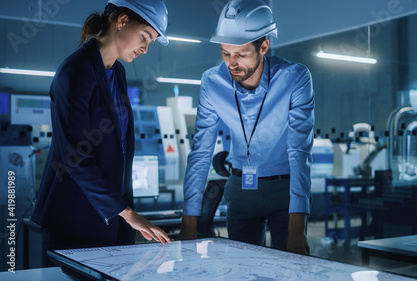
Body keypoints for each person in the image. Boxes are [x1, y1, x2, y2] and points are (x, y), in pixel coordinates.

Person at [31, 0, 171, 267]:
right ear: (121, 21)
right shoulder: (75, 72)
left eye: (150, 42)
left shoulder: (116, 71)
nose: (145, 48)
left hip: (111, 219)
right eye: (144, 37)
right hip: (73, 220)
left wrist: (124, 214)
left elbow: (116, 146)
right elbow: (75, 156)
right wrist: (127, 213)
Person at [178, 0, 314, 255]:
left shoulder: (295, 78)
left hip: (285, 189)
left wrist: (297, 230)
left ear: (263, 46)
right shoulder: (212, 81)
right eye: (226, 53)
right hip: (240, 186)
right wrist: (189, 223)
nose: (232, 63)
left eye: (241, 54)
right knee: (241, 267)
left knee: (290, 268)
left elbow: (300, 152)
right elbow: (201, 152)